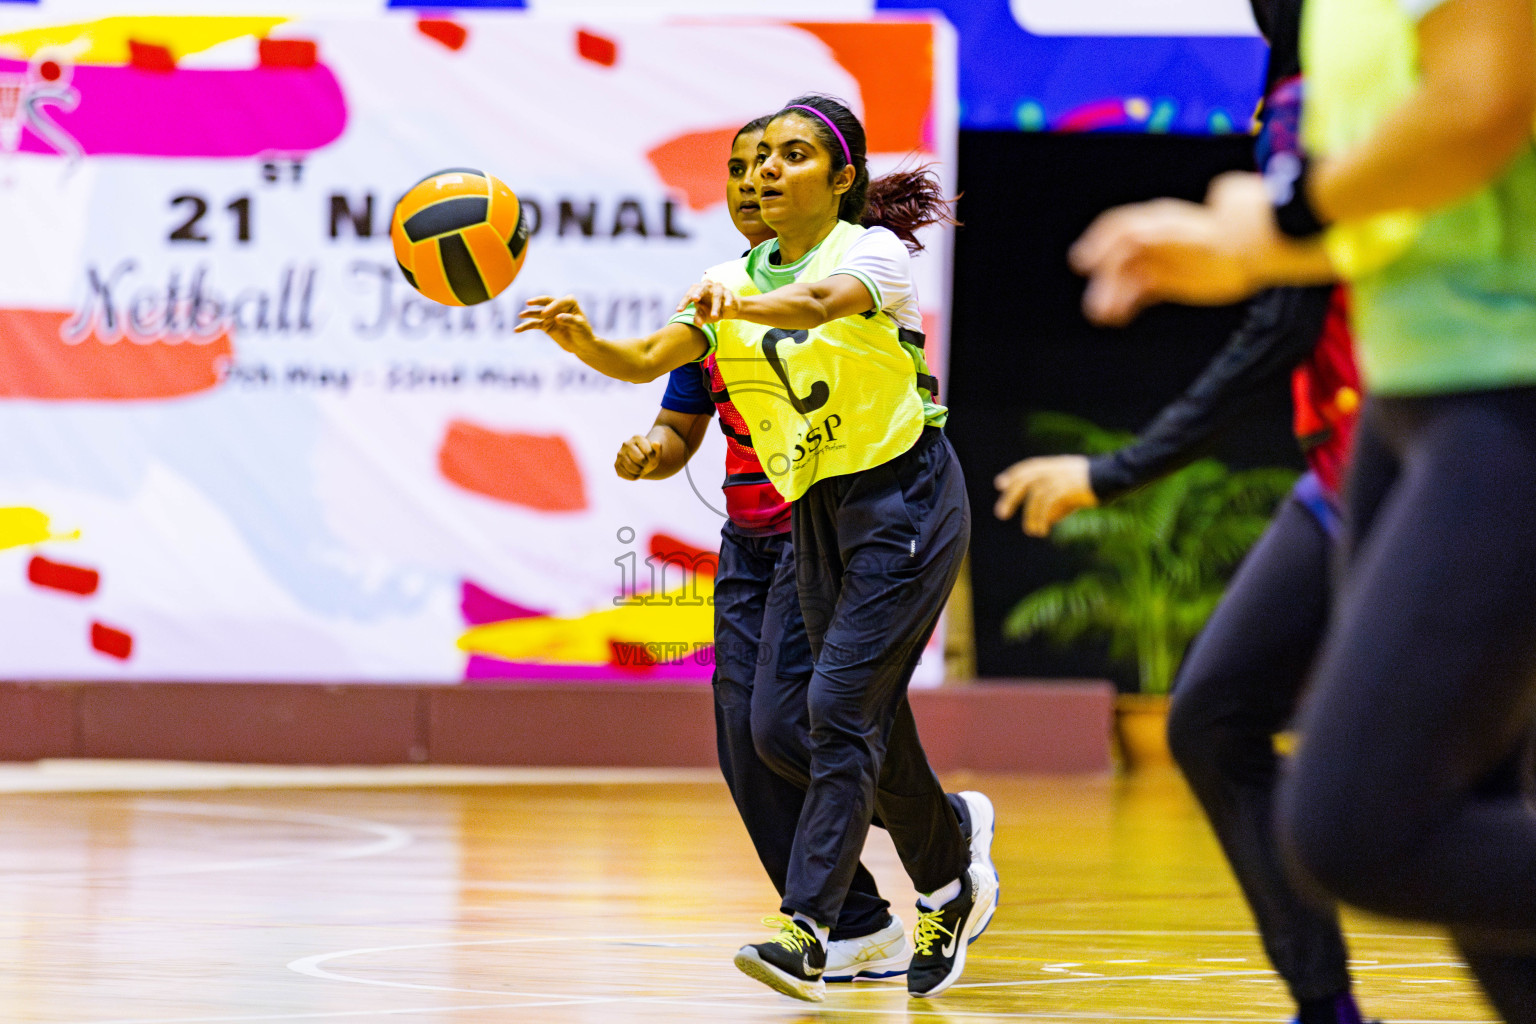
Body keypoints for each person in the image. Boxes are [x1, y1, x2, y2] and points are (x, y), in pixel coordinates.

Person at [1070, 0, 1536, 1019]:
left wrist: (1286, 218)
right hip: (1409, 401)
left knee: (1364, 827)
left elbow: (1483, 103)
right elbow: (1427, 200)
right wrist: (1251, 249)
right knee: (1481, 848)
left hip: (1509, 390)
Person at [517, 94, 997, 1002]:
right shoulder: (724, 278)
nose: (761, 173)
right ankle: (941, 863)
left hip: (902, 498)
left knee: (841, 711)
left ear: (842, 178)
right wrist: (589, 343)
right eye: (748, 162)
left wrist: (736, 304)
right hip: (797, 519)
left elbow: (815, 301)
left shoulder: (870, 254)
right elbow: (658, 361)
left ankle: (810, 927)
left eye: (784, 156)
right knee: (773, 731)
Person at [995, 7, 1373, 1023]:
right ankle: (1326, 1009)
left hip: (1444, 458)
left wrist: (1117, 470)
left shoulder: (1357, 74)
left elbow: (1283, 323)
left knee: (1424, 807)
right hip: (1353, 472)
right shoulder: (1294, 87)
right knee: (1214, 719)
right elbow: (1293, 299)